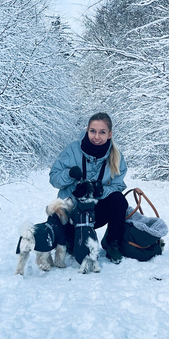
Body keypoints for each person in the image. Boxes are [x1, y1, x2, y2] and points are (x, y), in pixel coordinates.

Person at [49, 112, 128, 263]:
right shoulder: (72, 150)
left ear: (109, 134)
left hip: (96, 210)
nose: (96, 137)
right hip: (73, 211)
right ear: (87, 130)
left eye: (102, 132)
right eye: (93, 131)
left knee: (119, 200)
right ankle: (71, 237)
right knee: (70, 243)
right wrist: (69, 174)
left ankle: (112, 243)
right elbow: (54, 179)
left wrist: (102, 191)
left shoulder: (117, 157)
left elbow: (118, 185)